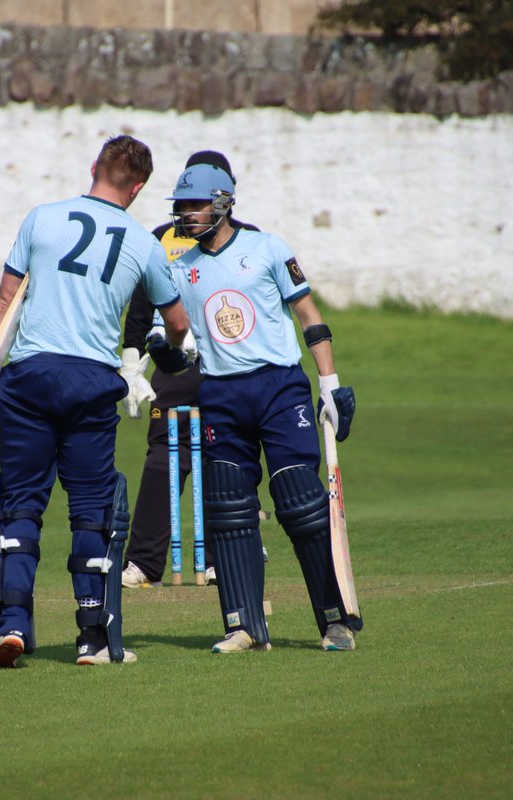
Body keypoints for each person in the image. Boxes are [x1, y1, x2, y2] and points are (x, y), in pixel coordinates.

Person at [0, 135, 193, 669]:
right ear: (139, 187)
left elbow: (6, 299)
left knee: (20, 502)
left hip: (28, 377)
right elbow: (178, 324)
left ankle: (10, 624)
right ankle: (91, 637)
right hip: (91, 382)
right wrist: (166, 352)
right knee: (91, 511)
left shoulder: (42, 217)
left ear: (94, 166)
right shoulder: (145, 243)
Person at [152, 159, 360, 653]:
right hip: (221, 395)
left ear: (223, 203)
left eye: (195, 205)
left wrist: (329, 384)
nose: (187, 214)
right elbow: (170, 333)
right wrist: (161, 347)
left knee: (302, 504)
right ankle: (243, 625)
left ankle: (333, 621)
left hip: (279, 389)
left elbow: (309, 315)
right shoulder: (179, 268)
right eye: (181, 207)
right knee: (227, 510)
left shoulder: (268, 248)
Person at [118, 150, 261, 589]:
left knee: (228, 455)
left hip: (229, 366)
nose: (187, 211)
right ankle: (143, 562)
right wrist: (131, 366)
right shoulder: (159, 239)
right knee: (164, 455)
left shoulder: (250, 241)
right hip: (174, 366)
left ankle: (225, 554)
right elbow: (141, 310)